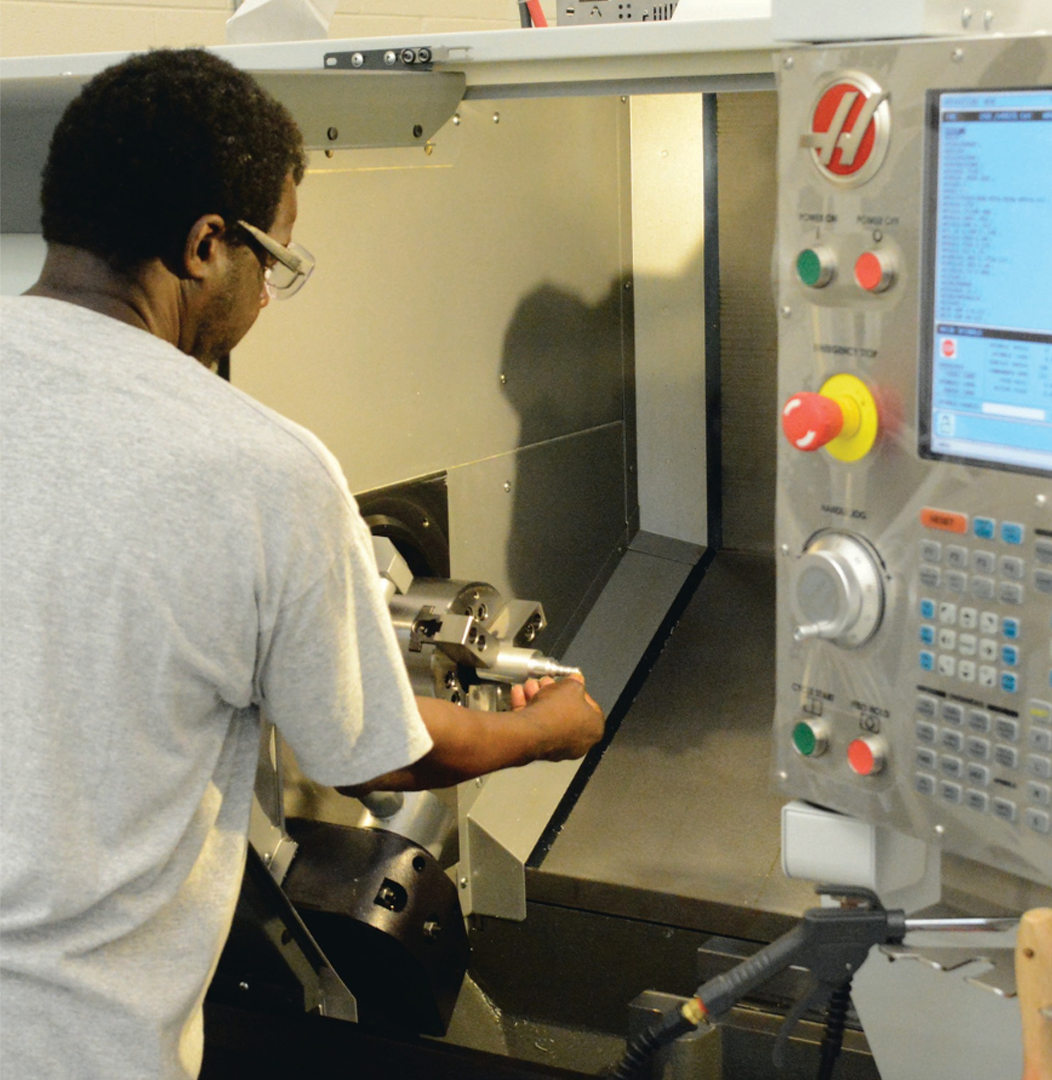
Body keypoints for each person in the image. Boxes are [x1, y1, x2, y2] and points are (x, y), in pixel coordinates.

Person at [0, 48, 604, 1079]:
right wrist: (548, 728)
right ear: (204, 246)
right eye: (274, 262)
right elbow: (376, 755)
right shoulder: (258, 469)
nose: (268, 296)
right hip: (73, 1039)